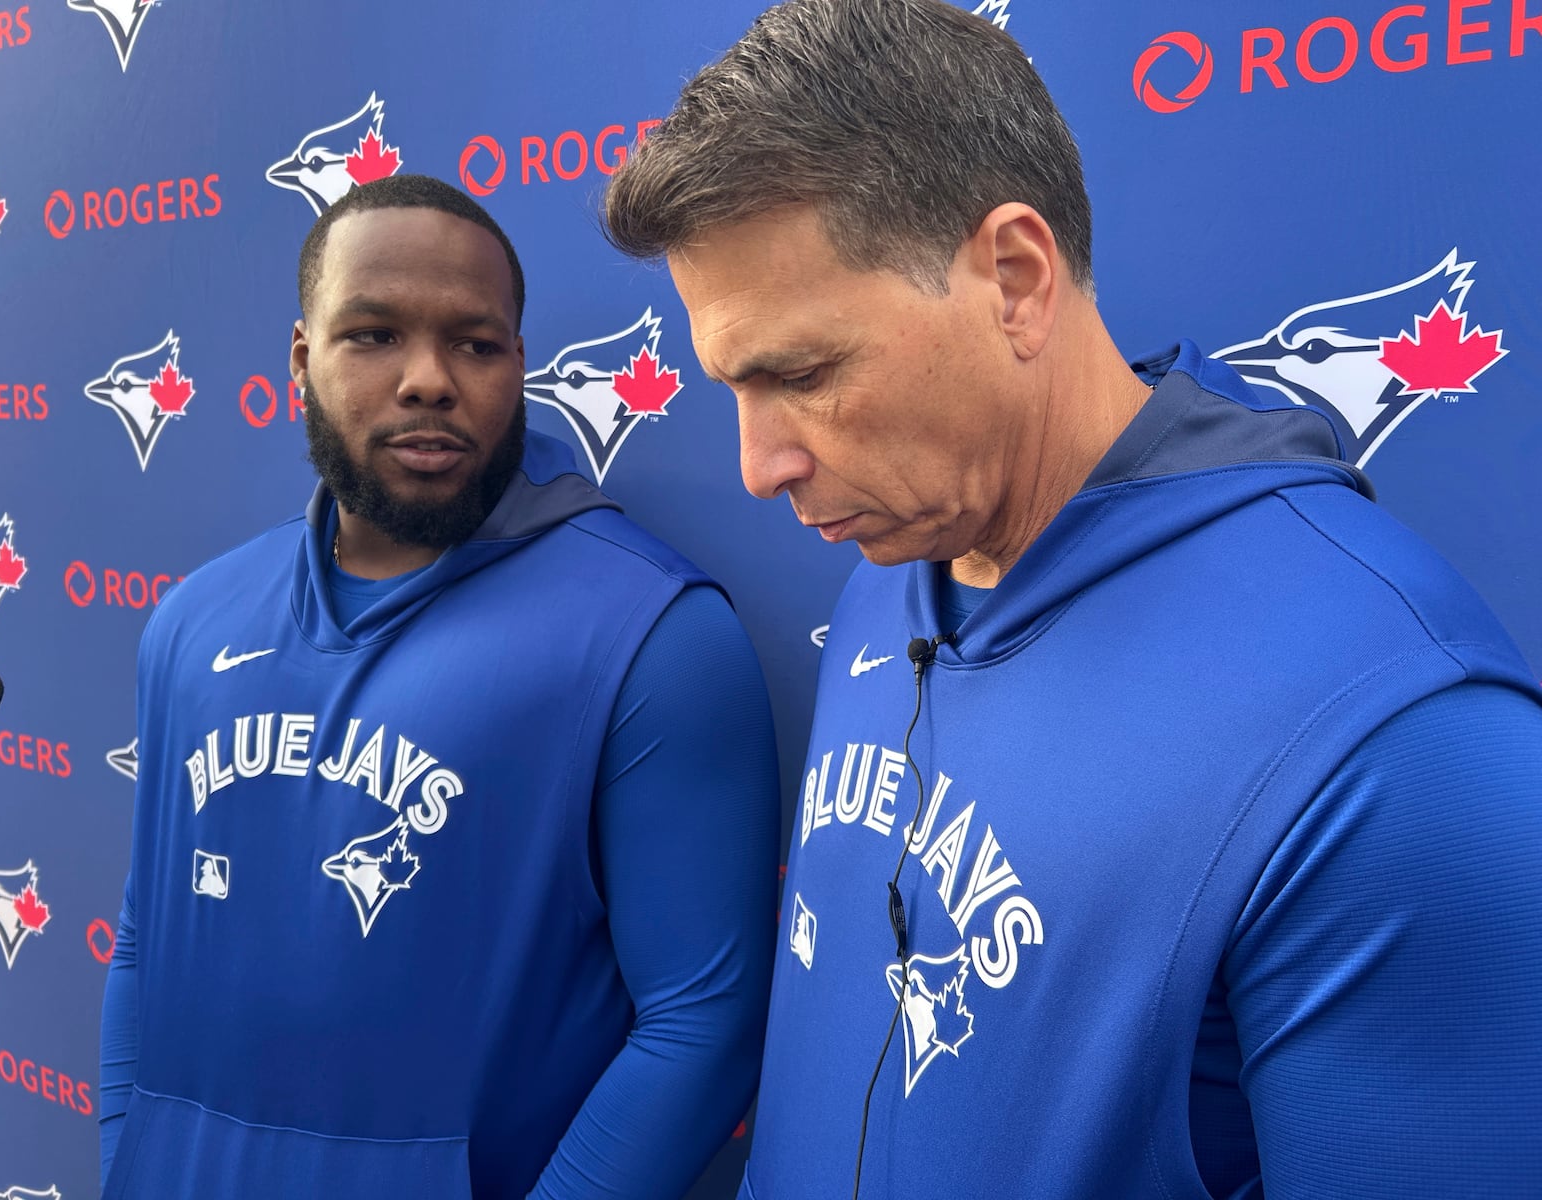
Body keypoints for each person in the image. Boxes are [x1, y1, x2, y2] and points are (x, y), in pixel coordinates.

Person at [601, 2, 1542, 1197]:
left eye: (802, 374)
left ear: (1015, 277)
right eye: (734, 385)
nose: (758, 465)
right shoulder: (892, 572)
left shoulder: (1395, 733)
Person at [98, 174, 781, 1200]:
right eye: (372, 334)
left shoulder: (651, 632)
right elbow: (148, 937)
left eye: (475, 343)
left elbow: (702, 1021)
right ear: (300, 360)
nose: (428, 379)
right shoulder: (194, 619)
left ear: (519, 366)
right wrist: (129, 1157)